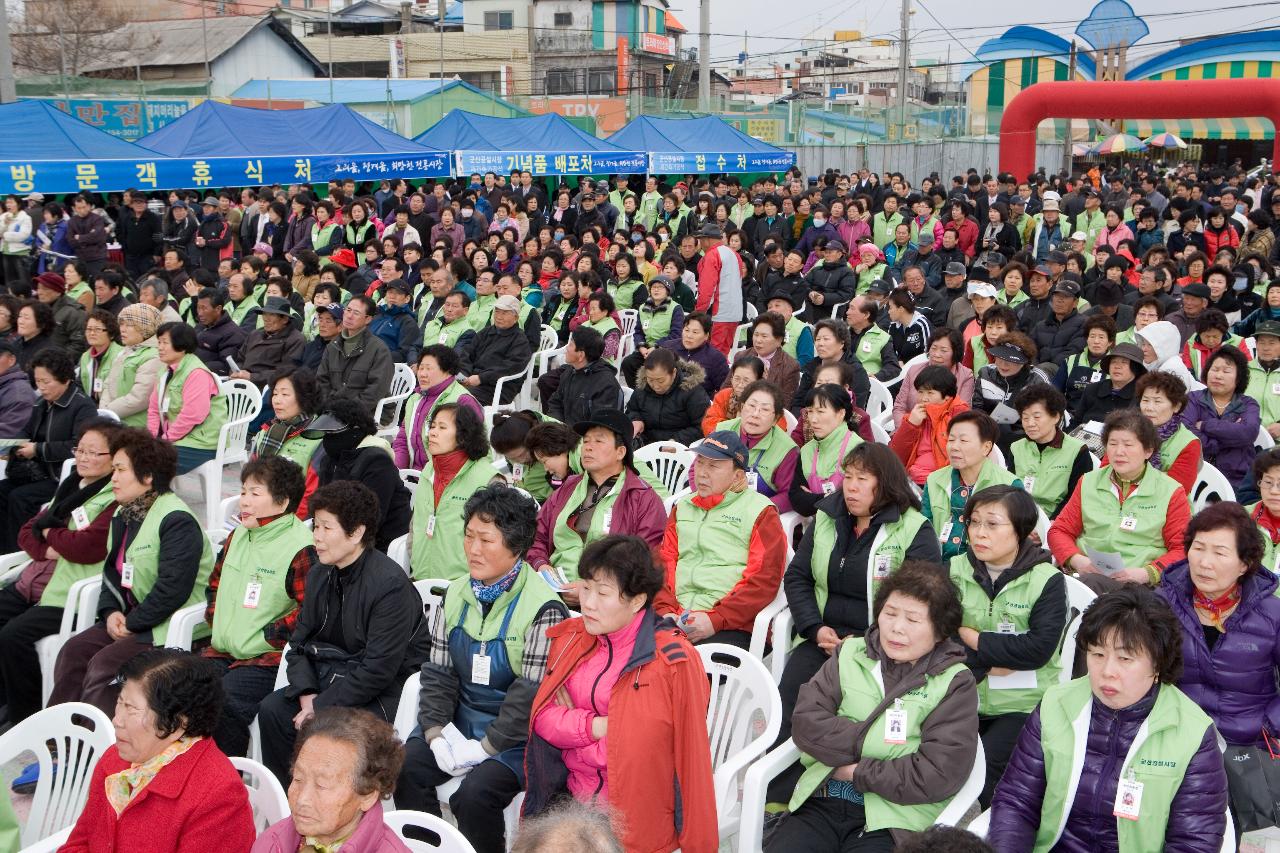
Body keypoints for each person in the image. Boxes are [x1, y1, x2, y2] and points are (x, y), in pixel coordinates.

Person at [988, 586, 1229, 853]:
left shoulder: (1191, 733)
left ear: (1158, 663)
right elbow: (1016, 802)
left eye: (1125, 658)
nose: (1107, 671)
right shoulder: (1056, 704)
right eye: (1097, 654)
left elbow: (1194, 843)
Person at [397, 486, 568, 853]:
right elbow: (439, 672)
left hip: (518, 738)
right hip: (458, 722)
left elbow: (530, 694)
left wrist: (486, 747)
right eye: (469, 536)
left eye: (486, 540)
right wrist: (435, 733)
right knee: (405, 766)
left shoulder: (544, 609)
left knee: (474, 796)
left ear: (517, 545)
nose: (473, 549)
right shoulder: (456, 593)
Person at [769, 560, 979, 853]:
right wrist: (889, 750)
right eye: (890, 613)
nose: (896, 628)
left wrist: (856, 772)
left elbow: (938, 773)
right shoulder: (850, 653)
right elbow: (806, 724)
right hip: (823, 796)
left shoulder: (955, 682)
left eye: (913, 620)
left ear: (940, 630)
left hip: (895, 818)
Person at [524, 535, 718, 853]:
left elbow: (687, 761)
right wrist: (597, 727)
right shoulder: (572, 640)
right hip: (573, 807)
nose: (588, 603)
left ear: (637, 601)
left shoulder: (671, 662)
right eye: (585, 588)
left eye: (602, 593)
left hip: (636, 826)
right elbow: (542, 720)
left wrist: (576, 735)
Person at [256, 481, 429, 784]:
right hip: (327, 677)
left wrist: (320, 706)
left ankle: (332, 814)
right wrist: (307, 693)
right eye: (316, 526)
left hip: (378, 690)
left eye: (326, 528)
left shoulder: (389, 585)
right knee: (272, 710)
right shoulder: (320, 573)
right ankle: (289, 802)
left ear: (357, 532)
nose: (317, 537)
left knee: (328, 730)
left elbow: (378, 669)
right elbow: (298, 644)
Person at [780, 442, 940, 749]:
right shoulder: (827, 518)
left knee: (848, 719)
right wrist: (814, 628)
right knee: (793, 702)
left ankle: (837, 785)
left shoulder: (913, 531)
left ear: (885, 483)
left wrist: (867, 641)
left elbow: (919, 605)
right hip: (822, 640)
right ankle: (781, 787)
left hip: (880, 649)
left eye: (862, 479)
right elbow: (798, 577)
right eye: (848, 477)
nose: (851, 487)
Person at [48, 430, 212, 717]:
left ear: (147, 476)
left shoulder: (177, 520)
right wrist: (111, 611)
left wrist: (133, 623)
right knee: (73, 651)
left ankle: (100, 748)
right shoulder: (124, 513)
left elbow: (173, 588)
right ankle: (59, 735)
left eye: (121, 470)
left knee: (105, 665)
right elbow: (112, 571)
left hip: (167, 622)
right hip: (132, 616)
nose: (113, 478)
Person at [62, 649, 257, 852]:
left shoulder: (219, 797)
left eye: (131, 708)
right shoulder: (116, 758)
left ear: (176, 724)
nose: (116, 720)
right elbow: (81, 841)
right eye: (120, 702)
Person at [949, 485, 1067, 807]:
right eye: (974, 522)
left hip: (1022, 705)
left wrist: (973, 637)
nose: (979, 533)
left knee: (983, 770)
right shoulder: (956, 570)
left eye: (992, 523)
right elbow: (940, 636)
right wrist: (987, 664)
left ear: (1020, 531)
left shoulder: (1046, 581)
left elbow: (1037, 650)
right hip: (962, 695)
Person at [0, 418, 119, 724]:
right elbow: (28, 530)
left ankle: (24, 718)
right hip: (38, 577)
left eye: (95, 453)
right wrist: (48, 547)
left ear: (114, 458)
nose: (84, 457)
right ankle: (6, 699)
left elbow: (89, 546)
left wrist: (49, 536)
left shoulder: (112, 497)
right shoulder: (70, 485)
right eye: (81, 449)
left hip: (70, 592)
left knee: (14, 636)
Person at [202, 457, 318, 757]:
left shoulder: (300, 546)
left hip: (267, 658)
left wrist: (268, 635)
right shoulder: (239, 533)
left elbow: (310, 612)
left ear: (283, 501)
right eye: (243, 492)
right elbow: (214, 583)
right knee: (179, 685)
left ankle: (227, 782)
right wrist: (217, 619)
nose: (244, 501)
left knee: (224, 700)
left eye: (255, 493)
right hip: (223, 649)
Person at [1157, 501, 1280, 771]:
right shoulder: (1162, 605)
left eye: (1220, 553)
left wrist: (1267, 727)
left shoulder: (1273, 614)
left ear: (1244, 564)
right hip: (1177, 740)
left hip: (1249, 745)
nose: (1204, 563)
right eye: (1198, 548)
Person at [653, 430, 787, 649]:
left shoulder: (760, 511)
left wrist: (716, 619)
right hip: (677, 617)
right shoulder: (683, 507)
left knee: (675, 664)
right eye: (700, 462)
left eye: (713, 466)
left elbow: (764, 580)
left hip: (732, 624)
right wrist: (666, 610)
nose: (702, 473)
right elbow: (663, 564)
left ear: (737, 475)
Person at [527, 410, 666, 597]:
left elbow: (643, 562)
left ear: (620, 452)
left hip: (608, 597)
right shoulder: (568, 488)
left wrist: (590, 587)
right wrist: (540, 564)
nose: (588, 447)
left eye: (599, 441)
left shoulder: (642, 499)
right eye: (585, 441)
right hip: (552, 590)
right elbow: (537, 536)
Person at [1049, 409, 1192, 591]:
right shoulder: (1089, 481)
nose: (1119, 452)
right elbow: (1059, 531)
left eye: (1128, 445)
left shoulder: (1171, 491)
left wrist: (1146, 573)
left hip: (1138, 583)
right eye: (1113, 443)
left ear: (1148, 451)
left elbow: (1182, 549)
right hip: (1086, 573)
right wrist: (1077, 560)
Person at [253, 707, 410, 853]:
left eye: (322, 785)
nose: (302, 799)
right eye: (298, 779)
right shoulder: (272, 843)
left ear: (367, 795)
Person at [0, 346, 97, 553]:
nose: (41, 387)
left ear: (64, 378)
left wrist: (39, 449)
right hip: (37, 472)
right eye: (38, 382)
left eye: (46, 382)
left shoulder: (82, 407)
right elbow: (24, 430)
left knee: (20, 497)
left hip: (62, 477)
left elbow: (79, 446)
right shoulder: (42, 403)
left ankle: (17, 550)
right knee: (2, 490)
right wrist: (11, 445)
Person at [305, 398, 411, 553]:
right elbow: (320, 503)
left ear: (355, 429)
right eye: (326, 433)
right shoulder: (330, 459)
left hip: (377, 544)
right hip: (337, 535)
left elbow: (372, 518)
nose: (328, 438)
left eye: (334, 432)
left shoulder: (377, 460)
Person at [409, 402, 497, 579]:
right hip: (420, 578)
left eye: (442, 427)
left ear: (463, 436)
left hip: (465, 585)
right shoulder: (428, 470)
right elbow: (415, 524)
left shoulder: (488, 479)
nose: (432, 432)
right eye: (432, 426)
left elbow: (497, 542)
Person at [923, 411, 1022, 560]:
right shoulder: (934, 480)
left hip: (984, 568)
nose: (954, 447)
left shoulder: (1009, 485)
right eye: (951, 440)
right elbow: (925, 531)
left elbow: (1014, 541)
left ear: (986, 447)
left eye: (963, 441)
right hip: (938, 567)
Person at [148, 322, 228, 475]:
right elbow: (153, 409)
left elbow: (192, 415)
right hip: (176, 438)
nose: (160, 347)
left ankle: (153, 497)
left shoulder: (197, 373)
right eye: (159, 342)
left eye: (165, 342)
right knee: (134, 454)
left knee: (150, 463)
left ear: (182, 345)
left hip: (201, 443)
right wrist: (153, 438)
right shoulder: (165, 371)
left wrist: (165, 439)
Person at [1181, 346, 1261, 493]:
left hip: (1237, 480)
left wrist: (1206, 425)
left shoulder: (1248, 404)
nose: (1218, 376)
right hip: (1196, 475)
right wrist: (1223, 439)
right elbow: (1186, 433)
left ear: (1239, 378)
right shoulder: (1193, 399)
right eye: (1215, 369)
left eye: (1226, 371)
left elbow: (1248, 433)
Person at [712, 379, 798, 512]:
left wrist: (754, 510)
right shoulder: (722, 431)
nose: (755, 414)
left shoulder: (786, 450)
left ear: (776, 419)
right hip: (715, 503)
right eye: (751, 406)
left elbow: (788, 495)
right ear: (741, 407)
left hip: (756, 514)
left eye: (764, 409)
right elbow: (697, 469)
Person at [393, 345, 482, 471]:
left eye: (429, 369)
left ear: (448, 371)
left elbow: (474, 450)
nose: (422, 374)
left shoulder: (462, 401)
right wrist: (397, 471)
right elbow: (403, 440)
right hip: (414, 476)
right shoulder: (415, 399)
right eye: (421, 368)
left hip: (446, 478)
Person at [1010, 384, 1092, 519]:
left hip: (1058, 520)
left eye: (1037, 417)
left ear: (1055, 417)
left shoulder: (1078, 450)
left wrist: (1050, 524)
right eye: (1025, 417)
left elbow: (1077, 497)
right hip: (1020, 518)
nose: (1030, 423)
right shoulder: (1016, 448)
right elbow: (1010, 492)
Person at [788, 383, 865, 517]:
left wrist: (814, 499)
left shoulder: (859, 449)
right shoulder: (807, 451)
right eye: (810, 411)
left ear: (841, 413)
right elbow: (797, 500)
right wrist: (827, 498)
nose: (813, 419)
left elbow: (855, 500)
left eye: (820, 411)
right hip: (819, 524)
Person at [890, 365, 971, 486]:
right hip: (911, 480)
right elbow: (895, 457)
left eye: (930, 393)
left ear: (947, 396)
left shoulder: (959, 417)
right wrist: (911, 425)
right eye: (920, 392)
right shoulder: (915, 416)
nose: (923, 398)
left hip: (944, 482)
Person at [316, 295, 394, 411]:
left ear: (368, 319)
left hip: (366, 412)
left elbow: (376, 390)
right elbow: (322, 381)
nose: (349, 316)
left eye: (356, 313)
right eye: (348, 310)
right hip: (333, 408)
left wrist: (349, 410)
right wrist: (328, 405)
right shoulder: (333, 345)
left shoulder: (379, 349)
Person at [626, 346, 711, 446]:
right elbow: (632, 410)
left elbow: (702, 425)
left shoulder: (691, 390)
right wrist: (636, 420)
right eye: (650, 380)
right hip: (646, 442)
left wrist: (676, 440)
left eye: (661, 380)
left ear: (674, 373)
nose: (655, 386)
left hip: (678, 446)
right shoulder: (643, 386)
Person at [1135, 370, 1201, 495]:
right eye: (1145, 400)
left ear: (1176, 406)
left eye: (1157, 401)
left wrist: (1129, 474)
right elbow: (1106, 471)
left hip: (1168, 506)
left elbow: (1177, 488)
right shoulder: (1127, 429)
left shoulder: (1188, 442)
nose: (1149, 407)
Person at [460, 294, 533, 405]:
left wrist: (481, 378)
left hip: (498, 388)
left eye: (504, 313)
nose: (499, 316)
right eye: (497, 311)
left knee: (460, 398)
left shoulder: (520, 340)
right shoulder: (486, 332)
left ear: (516, 317)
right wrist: (464, 374)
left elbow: (510, 368)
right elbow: (467, 353)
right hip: (471, 380)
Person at [893, 328, 975, 426]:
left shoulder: (965, 376)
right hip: (911, 425)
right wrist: (906, 427)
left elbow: (962, 415)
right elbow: (899, 407)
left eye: (943, 350)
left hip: (945, 434)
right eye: (933, 348)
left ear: (955, 352)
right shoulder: (914, 370)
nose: (936, 354)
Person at [99, 303, 162, 428]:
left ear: (145, 327)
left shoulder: (155, 356)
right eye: (121, 324)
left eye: (129, 325)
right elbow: (108, 384)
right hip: (113, 422)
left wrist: (108, 412)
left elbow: (140, 398)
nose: (122, 329)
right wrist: (104, 411)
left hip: (136, 428)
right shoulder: (125, 351)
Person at [544, 326, 621, 425]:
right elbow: (555, 402)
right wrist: (558, 426)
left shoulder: (606, 385)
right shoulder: (571, 371)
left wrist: (569, 434)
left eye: (571, 345)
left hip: (587, 437)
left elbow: (600, 427)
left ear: (581, 355)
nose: (566, 348)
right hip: (564, 433)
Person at [792, 318, 872, 412]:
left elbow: (855, 410)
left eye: (826, 339)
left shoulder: (856, 371)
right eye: (818, 339)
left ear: (842, 342)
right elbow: (798, 402)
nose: (820, 344)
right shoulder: (812, 366)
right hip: (809, 419)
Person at [726, 312, 801, 403]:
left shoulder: (790, 366)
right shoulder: (742, 356)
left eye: (764, 336)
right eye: (756, 334)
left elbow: (785, 404)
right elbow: (726, 389)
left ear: (779, 340)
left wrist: (765, 383)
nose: (758, 340)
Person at [230, 296, 304, 387]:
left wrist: (252, 377)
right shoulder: (255, 334)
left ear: (285, 319)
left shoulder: (295, 339)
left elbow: (286, 371)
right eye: (265, 314)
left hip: (268, 387)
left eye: (272, 314)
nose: (266, 318)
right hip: (241, 381)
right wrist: (237, 371)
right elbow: (240, 358)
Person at [1070, 341, 1147, 426]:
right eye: (1114, 362)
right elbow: (1076, 422)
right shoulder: (1092, 389)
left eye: (1124, 362)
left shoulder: (1142, 395)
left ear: (1135, 368)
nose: (1117, 366)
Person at [79, 309, 120, 403]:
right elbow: (80, 386)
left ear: (111, 334)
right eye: (89, 329)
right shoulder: (85, 357)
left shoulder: (120, 355)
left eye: (97, 329)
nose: (92, 333)